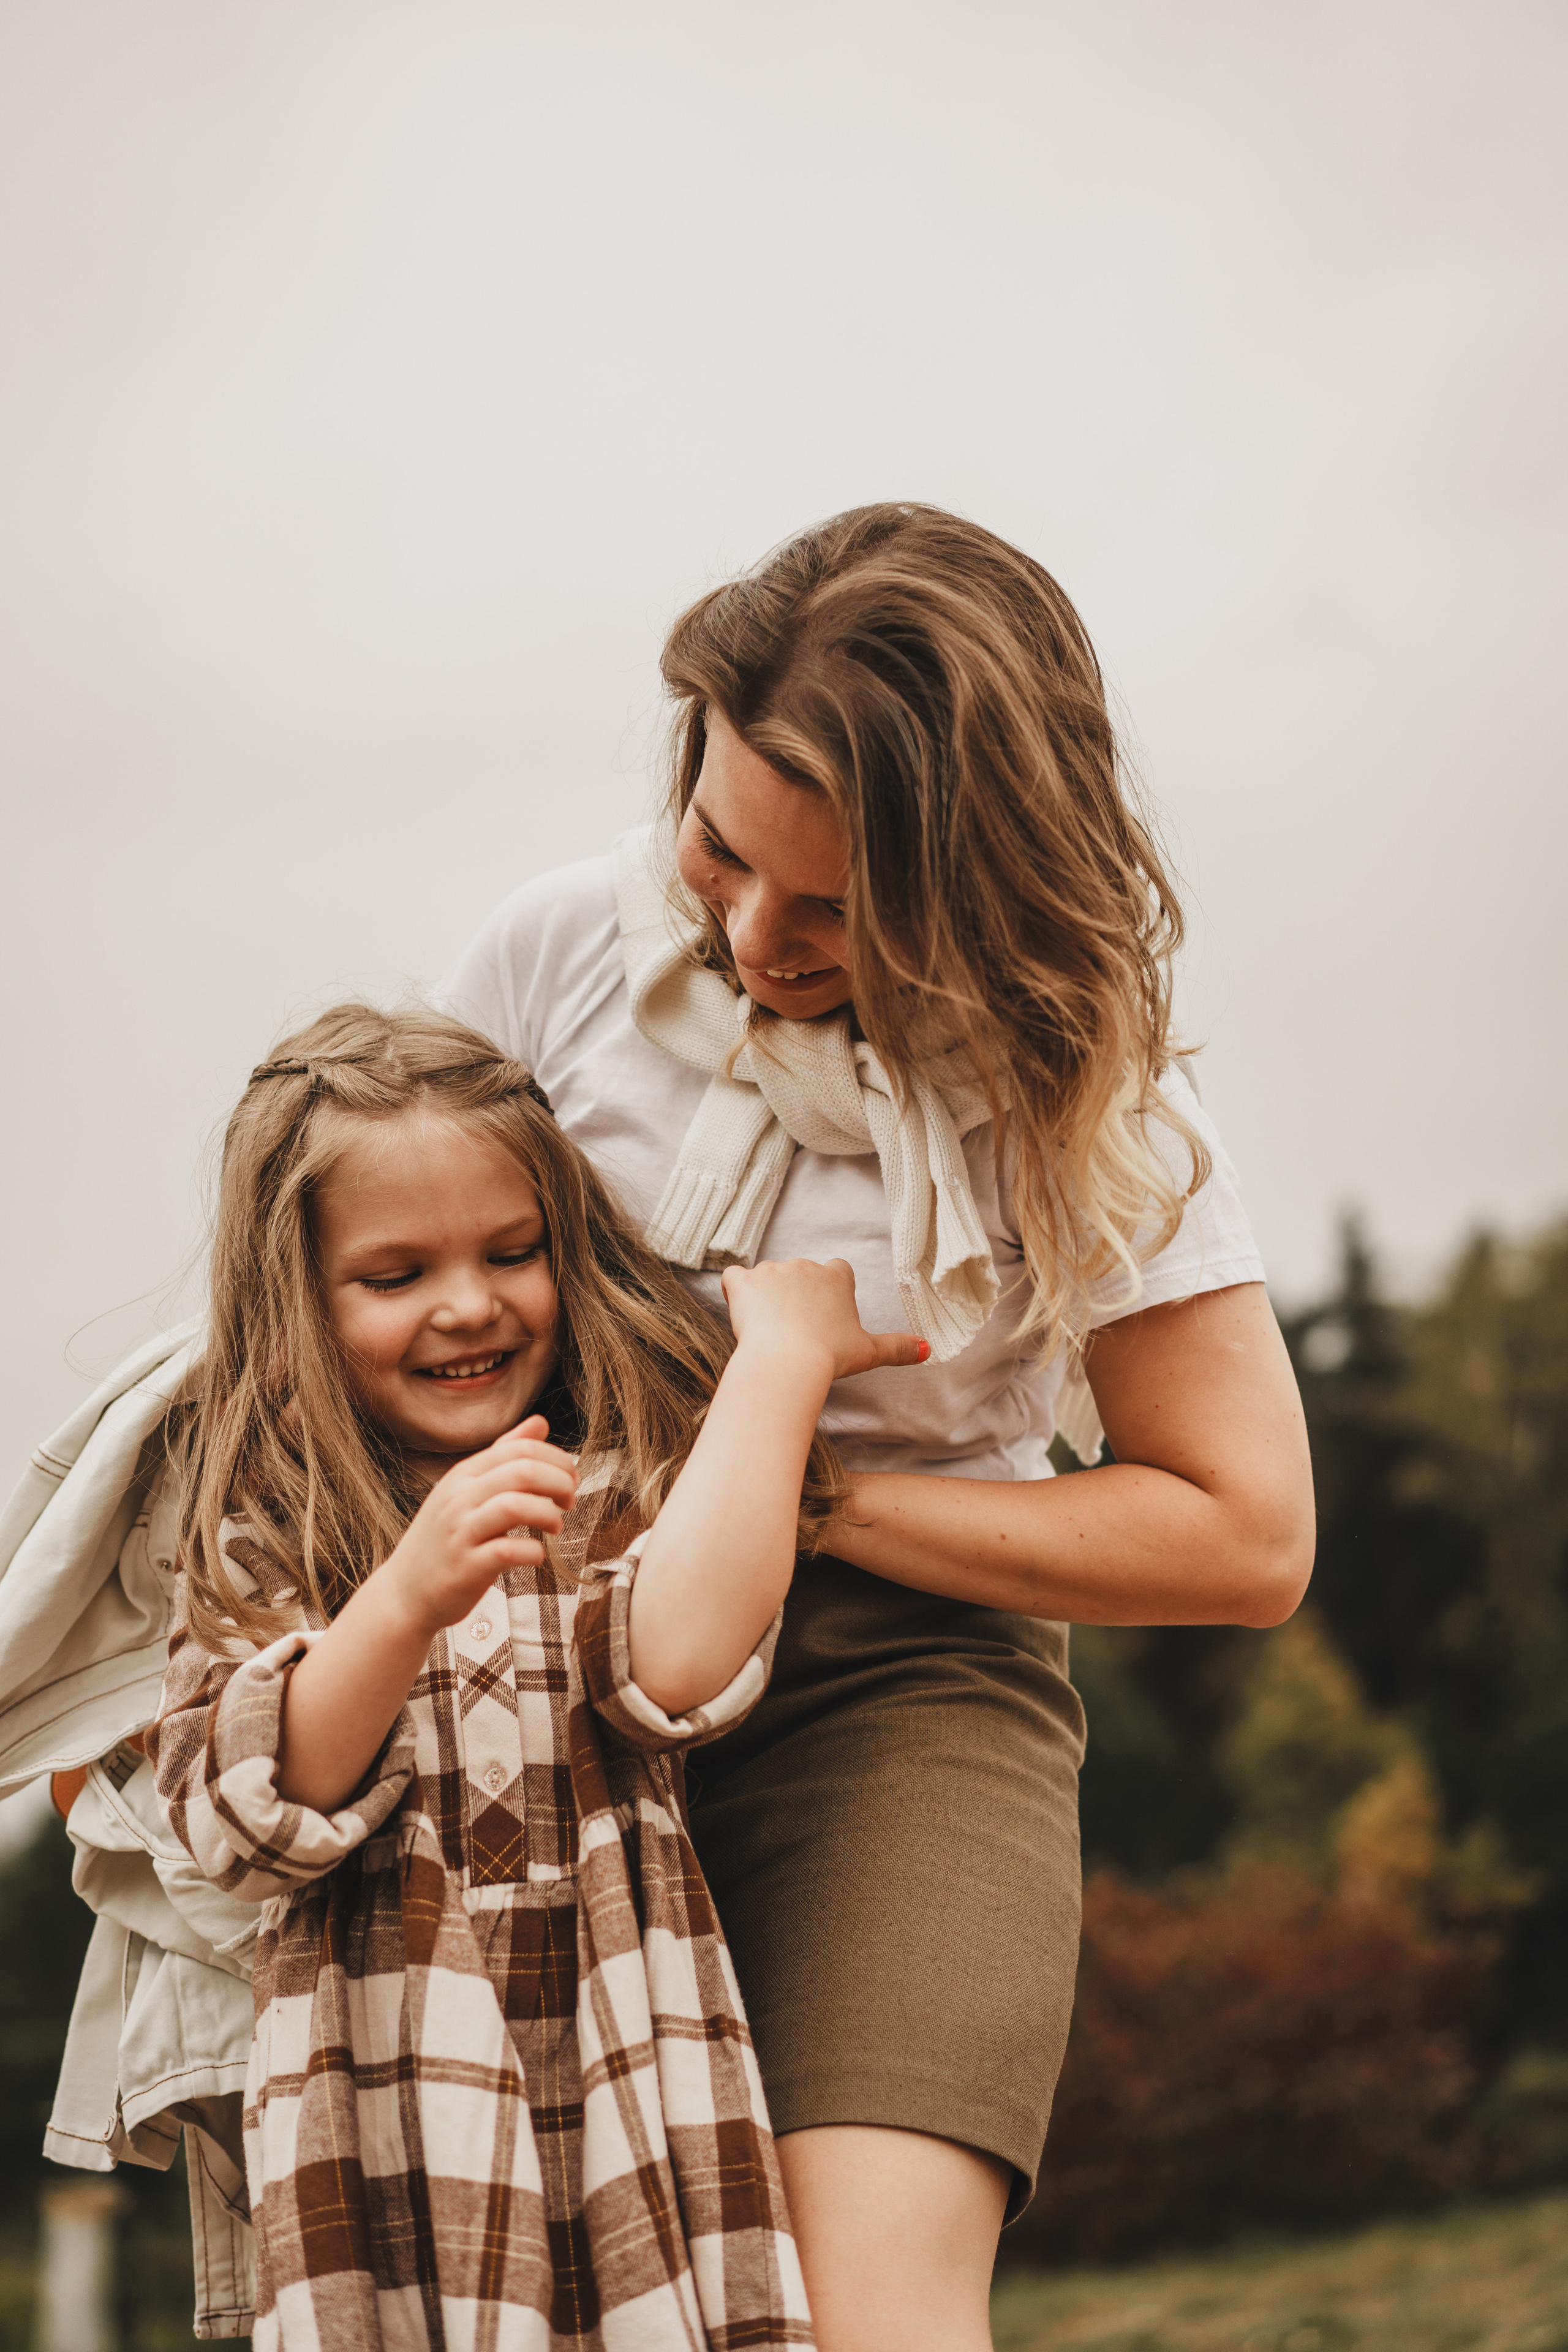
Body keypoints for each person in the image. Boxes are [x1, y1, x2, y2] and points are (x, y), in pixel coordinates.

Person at [441, 502, 1318, 2352]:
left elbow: (1244, 1534)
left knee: (862, 2317)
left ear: (978, 877)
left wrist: (796, 1497)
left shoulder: (1086, 1102)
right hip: (546, 1687)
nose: (756, 938)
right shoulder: (554, 964)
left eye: (835, 907)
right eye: (718, 852)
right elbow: (377, 1316)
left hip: (902, 1703)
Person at [145, 999, 924, 2351]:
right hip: (387, 2109)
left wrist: (779, 1368)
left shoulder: (602, 1486)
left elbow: (676, 1660)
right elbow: (246, 1812)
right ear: (298, 1298)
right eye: (394, 1276)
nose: (467, 1305)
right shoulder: (270, 1526)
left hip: (633, 2071)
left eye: (512, 1253)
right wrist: (403, 1597)